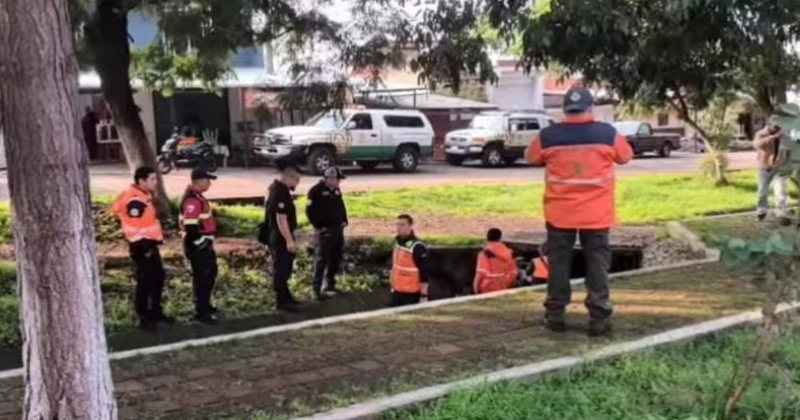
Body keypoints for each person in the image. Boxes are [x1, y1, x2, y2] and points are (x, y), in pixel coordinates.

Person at [526, 86, 633, 336]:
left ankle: (555, 315)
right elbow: (625, 156)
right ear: (590, 108)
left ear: (565, 109)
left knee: (558, 264)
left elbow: (531, 157)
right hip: (597, 215)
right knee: (597, 264)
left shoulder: (549, 135)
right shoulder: (607, 133)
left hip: (560, 214)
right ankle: (598, 318)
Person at [110, 167, 172, 330]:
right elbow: (134, 225)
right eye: (152, 179)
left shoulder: (143, 196)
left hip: (148, 243)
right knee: (147, 280)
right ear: (141, 181)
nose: (155, 182)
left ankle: (155, 313)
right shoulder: (135, 200)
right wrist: (144, 247)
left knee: (156, 277)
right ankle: (146, 316)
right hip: (142, 245)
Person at [180, 168, 219, 324]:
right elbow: (190, 228)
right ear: (198, 181)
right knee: (203, 277)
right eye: (207, 180)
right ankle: (201, 311)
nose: (209, 183)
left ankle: (205, 305)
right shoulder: (192, 200)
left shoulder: (197, 197)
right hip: (198, 245)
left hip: (202, 243)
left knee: (209, 274)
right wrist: (202, 243)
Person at [306, 166, 348, 301]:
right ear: (329, 178)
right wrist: (319, 226)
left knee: (335, 258)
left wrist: (344, 220)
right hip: (324, 231)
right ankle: (316, 289)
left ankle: (330, 285)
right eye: (337, 179)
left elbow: (340, 205)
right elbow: (310, 212)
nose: (339, 182)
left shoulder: (336, 190)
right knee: (321, 259)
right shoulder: (315, 191)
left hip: (337, 229)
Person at [265, 161, 302, 311]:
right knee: (281, 268)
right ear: (289, 177)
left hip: (278, 233)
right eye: (297, 180)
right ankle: (282, 301)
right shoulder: (279, 192)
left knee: (285, 266)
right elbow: (281, 219)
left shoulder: (276, 189)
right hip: (280, 235)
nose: (297, 183)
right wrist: (289, 240)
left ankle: (286, 296)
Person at [754, 115, 790, 221]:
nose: (777, 128)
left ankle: (781, 212)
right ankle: (762, 210)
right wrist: (774, 137)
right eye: (775, 126)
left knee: (781, 190)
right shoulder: (761, 134)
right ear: (769, 124)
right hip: (765, 166)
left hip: (780, 166)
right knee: (762, 191)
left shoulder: (784, 135)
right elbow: (757, 145)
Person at [390, 214, 431, 307]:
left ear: (410, 226)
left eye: (402, 225)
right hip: (397, 291)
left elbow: (425, 272)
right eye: (397, 224)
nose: (399, 228)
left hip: (411, 294)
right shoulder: (398, 243)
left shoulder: (417, 247)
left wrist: (424, 295)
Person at [473, 228, 518, 294]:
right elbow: (514, 272)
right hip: (504, 287)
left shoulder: (485, 253)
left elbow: (481, 274)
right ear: (500, 239)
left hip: (487, 289)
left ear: (487, 239)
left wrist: (476, 289)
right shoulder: (509, 253)